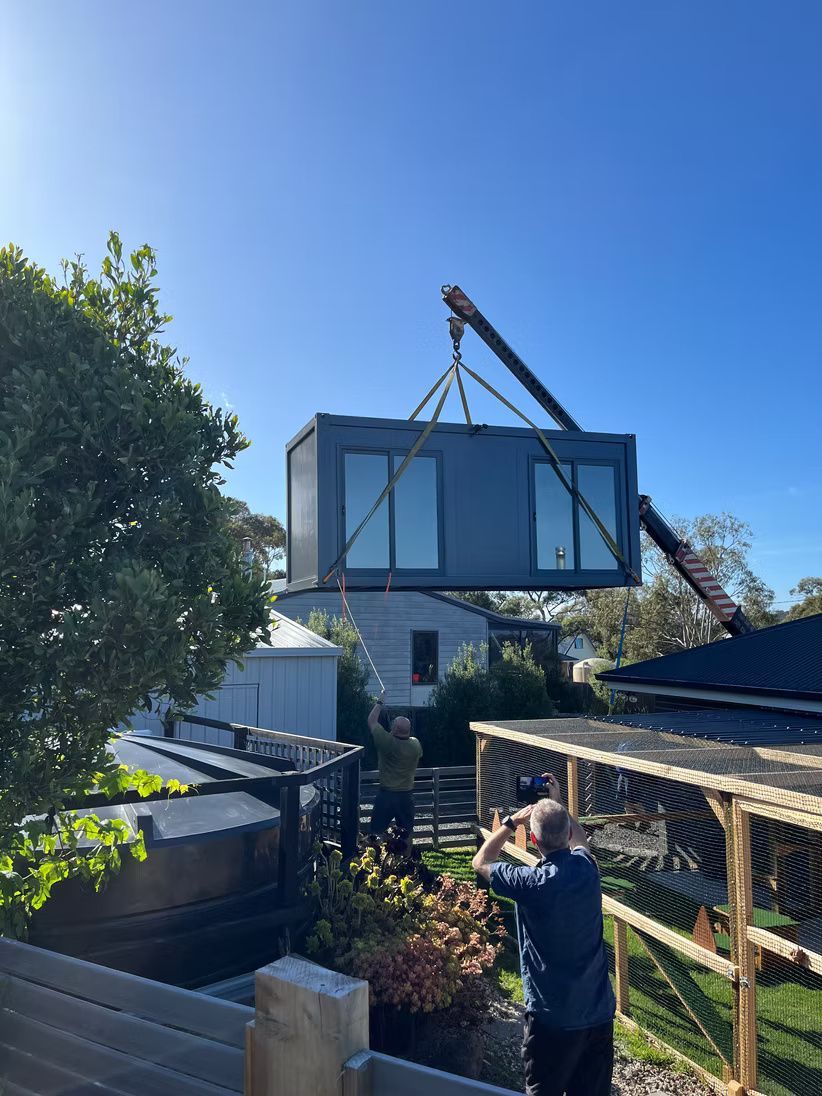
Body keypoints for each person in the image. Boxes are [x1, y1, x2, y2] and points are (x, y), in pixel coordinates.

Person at [472, 773, 615, 1096]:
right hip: (597, 1015)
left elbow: (481, 861)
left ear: (533, 841)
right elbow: (581, 842)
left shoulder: (527, 883)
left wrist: (510, 822)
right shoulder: (587, 870)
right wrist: (559, 805)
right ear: (565, 833)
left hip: (551, 1019)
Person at [367, 691, 422, 841]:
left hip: (387, 795)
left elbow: (371, 720)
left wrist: (380, 701)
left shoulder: (387, 742)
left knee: (375, 833)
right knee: (406, 835)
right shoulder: (415, 745)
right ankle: (406, 862)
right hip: (406, 796)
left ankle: (374, 860)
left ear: (395, 729)